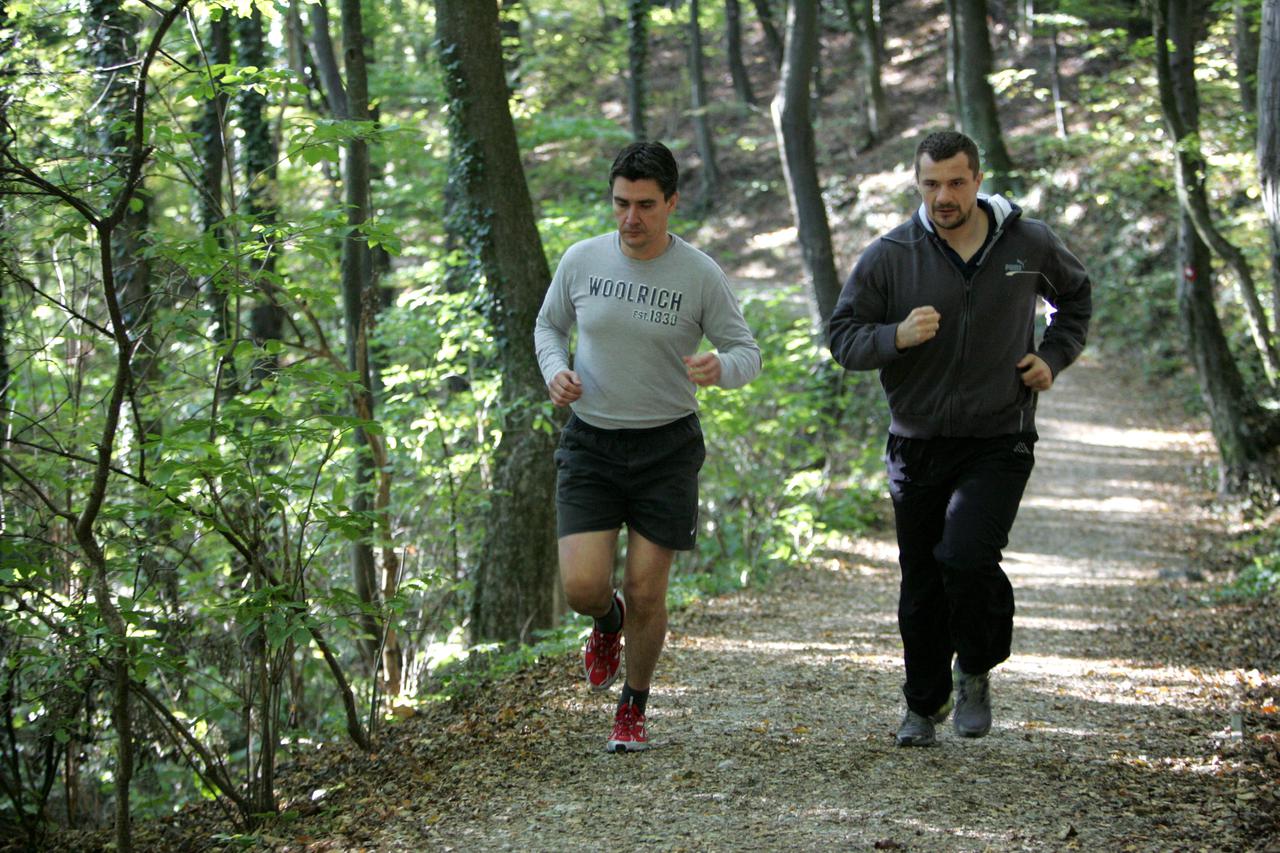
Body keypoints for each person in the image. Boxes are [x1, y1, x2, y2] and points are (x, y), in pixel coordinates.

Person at [827, 130, 1092, 747]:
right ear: (916, 184)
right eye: (930, 184)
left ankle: (975, 665)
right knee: (921, 579)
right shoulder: (892, 254)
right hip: (916, 442)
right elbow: (843, 337)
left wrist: (1053, 355)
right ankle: (922, 705)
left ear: (977, 180)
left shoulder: (1029, 243)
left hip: (1000, 435)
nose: (943, 196)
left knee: (966, 557)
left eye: (955, 182)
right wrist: (895, 336)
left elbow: (1075, 299)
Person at [534, 141, 761, 753]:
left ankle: (633, 705)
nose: (630, 219)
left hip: (666, 448)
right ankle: (604, 625)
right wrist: (555, 369)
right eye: (620, 204)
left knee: (645, 591)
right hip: (591, 442)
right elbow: (548, 325)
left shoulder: (698, 273)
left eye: (644, 205)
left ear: (671, 204)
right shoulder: (582, 260)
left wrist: (722, 368)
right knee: (584, 587)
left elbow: (747, 351)